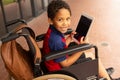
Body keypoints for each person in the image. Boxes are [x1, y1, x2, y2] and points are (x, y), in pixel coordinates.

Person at [43, 0, 111, 79]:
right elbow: (65, 64)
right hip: (61, 73)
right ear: (50, 20)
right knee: (95, 61)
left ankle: (102, 72)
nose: (65, 23)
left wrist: (69, 38)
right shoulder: (56, 40)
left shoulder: (53, 31)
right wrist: (82, 48)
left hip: (57, 63)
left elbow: (60, 48)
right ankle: (105, 76)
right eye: (60, 20)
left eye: (67, 19)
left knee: (91, 55)